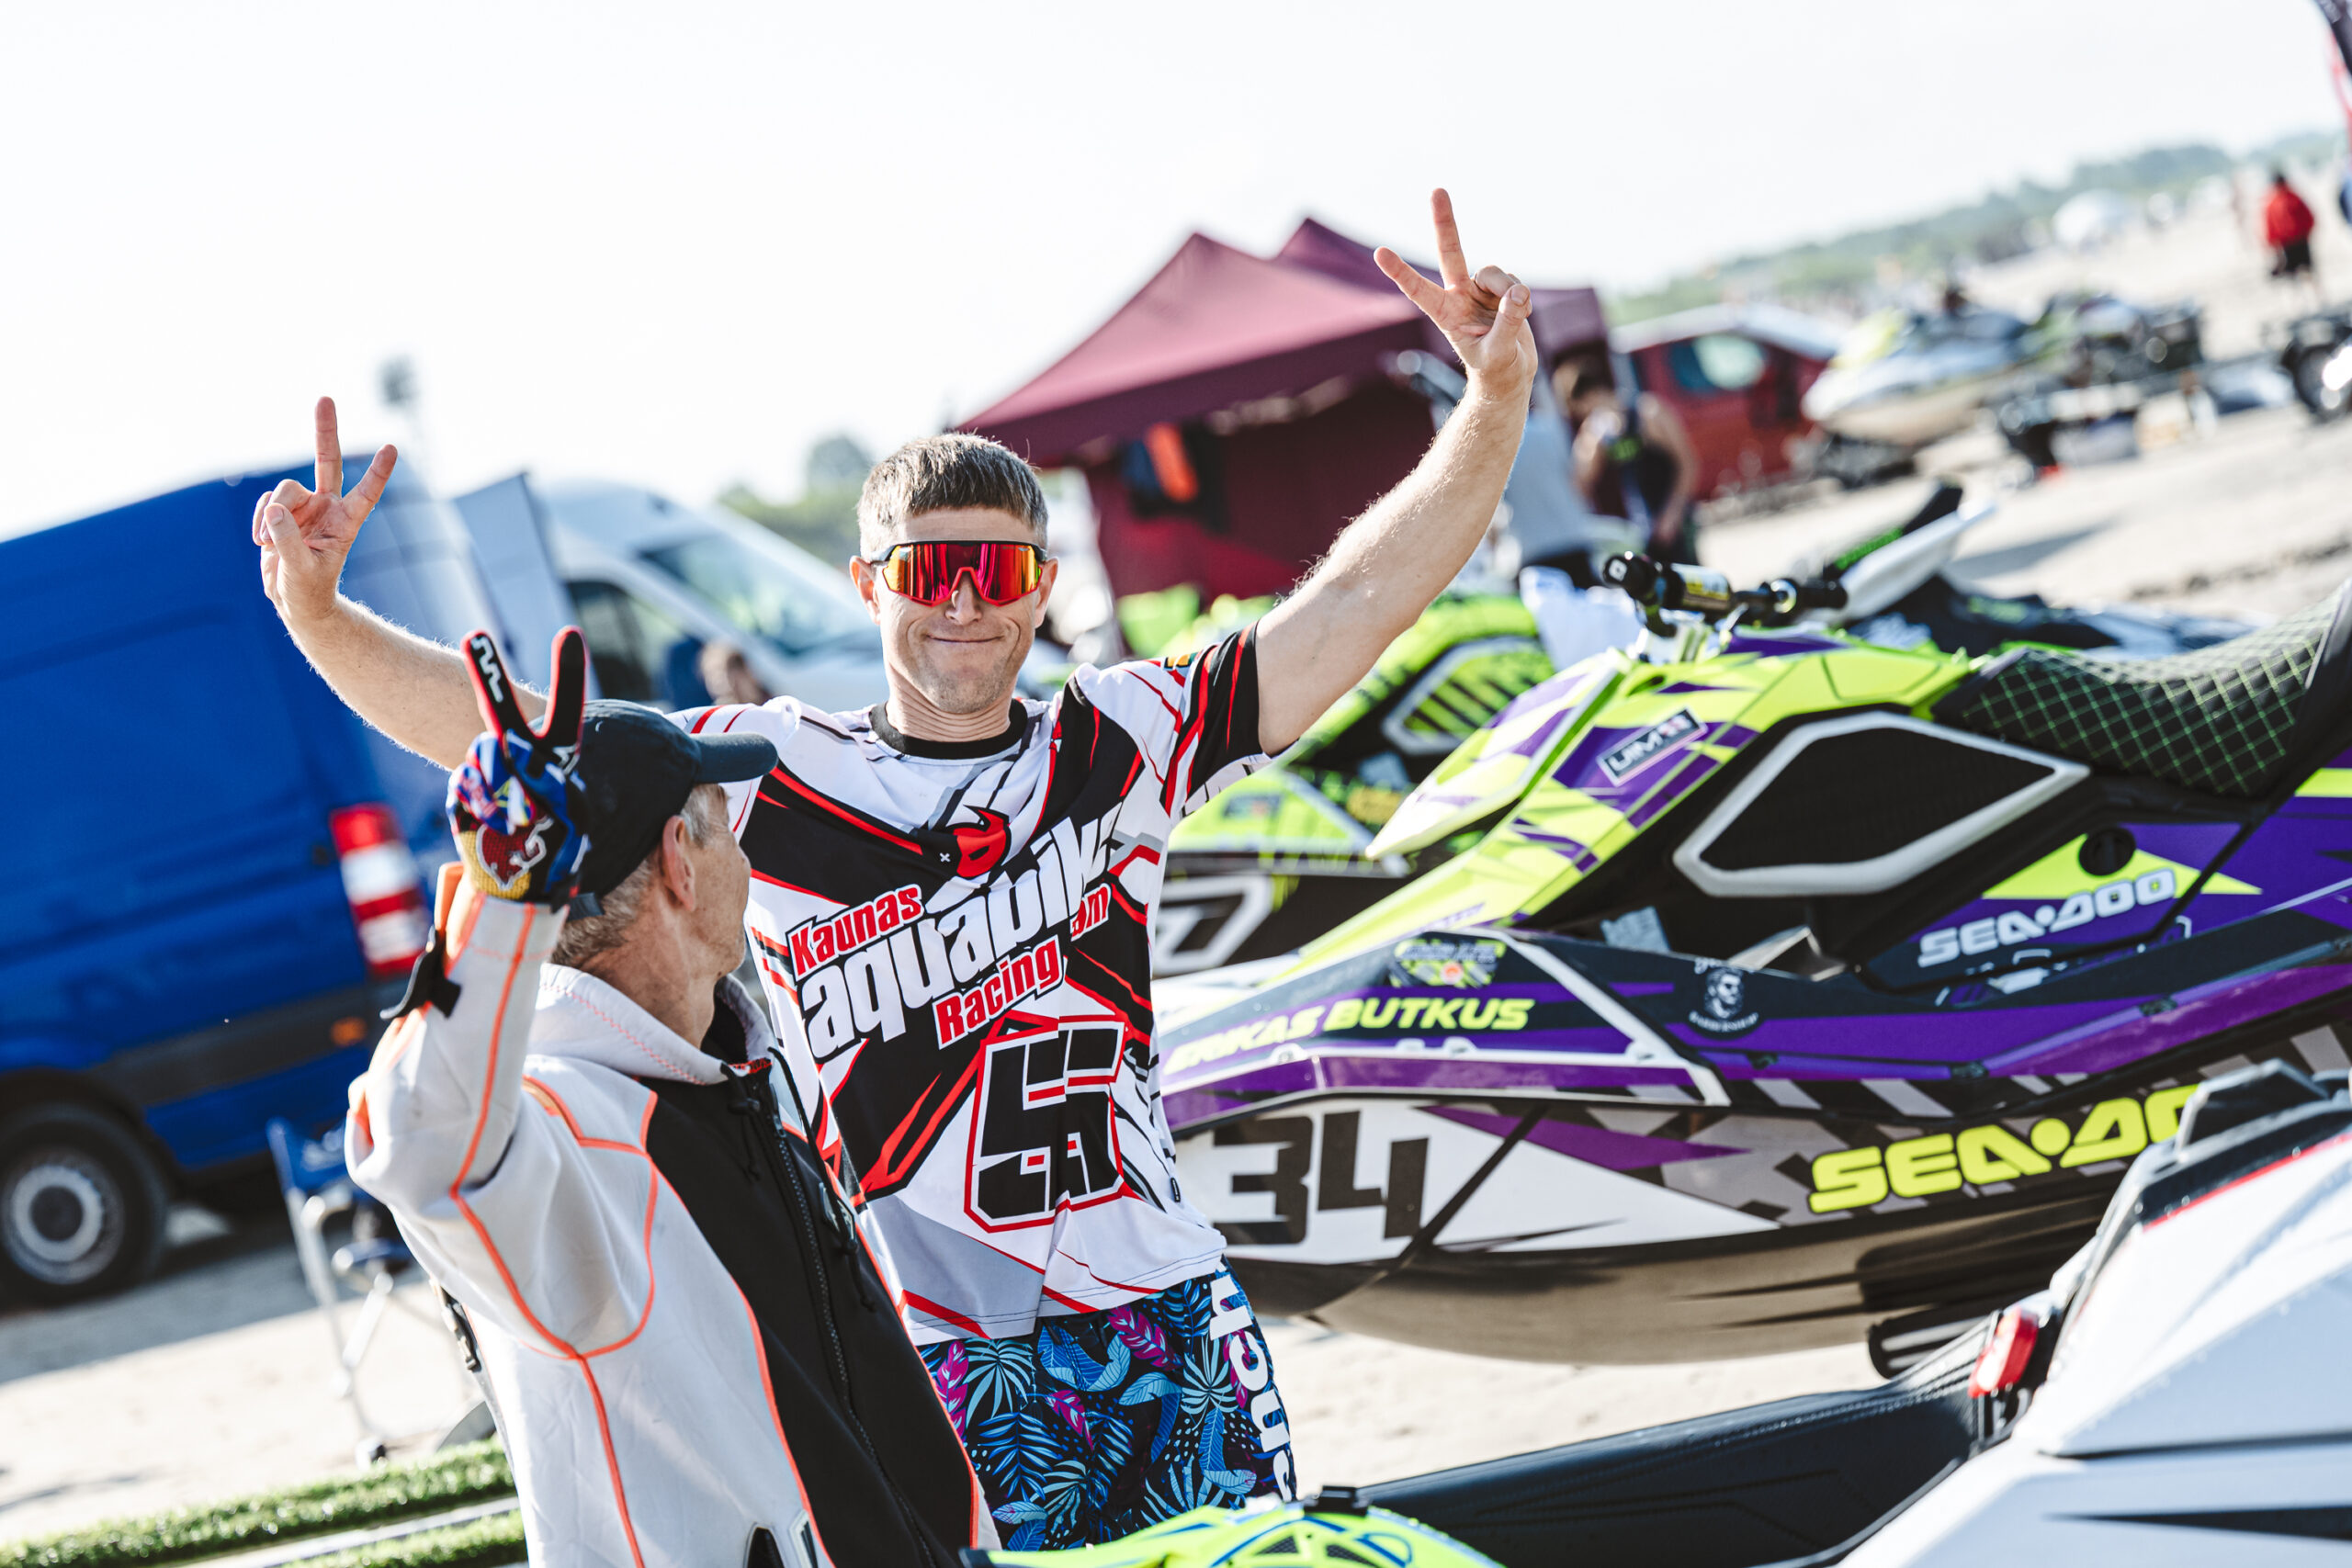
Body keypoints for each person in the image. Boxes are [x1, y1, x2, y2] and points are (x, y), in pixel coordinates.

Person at [257, 187, 1538, 1550]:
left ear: (1042, 583)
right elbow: (519, 735)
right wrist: (319, 616)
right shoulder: (773, 773)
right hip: (932, 1351)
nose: (966, 600)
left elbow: (1352, 604)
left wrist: (1494, 402)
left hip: (1162, 1309)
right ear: (870, 585)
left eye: (998, 568)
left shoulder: (1126, 737)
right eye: (930, 569)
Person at [345, 626, 991, 1567]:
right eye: (725, 824)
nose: (745, 857)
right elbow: (417, 1153)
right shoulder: (563, 1128)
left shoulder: (726, 1071)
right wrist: (502, 901)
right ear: (681, 862)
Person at [1555, 357, 1701, 568]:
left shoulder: (1648, 413)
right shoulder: (1600, 432)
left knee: (1690, 579)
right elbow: (1581, 482)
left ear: (1586, 399)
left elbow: (1688, 463)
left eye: (1581, 410)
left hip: (1674, 517)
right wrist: (1589, 438)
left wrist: (1672, 514)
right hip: (1643, 523)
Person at [2264, 168, 2322, 307]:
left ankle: (2305, 301)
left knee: (2296, 273)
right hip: (2296, 241)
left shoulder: (2275, 202)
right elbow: (2309, 217)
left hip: (2290, 242)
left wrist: (2272, 244)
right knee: (2305, 270)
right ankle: (2314, 298)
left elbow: (2270, 227)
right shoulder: (2292, 197)